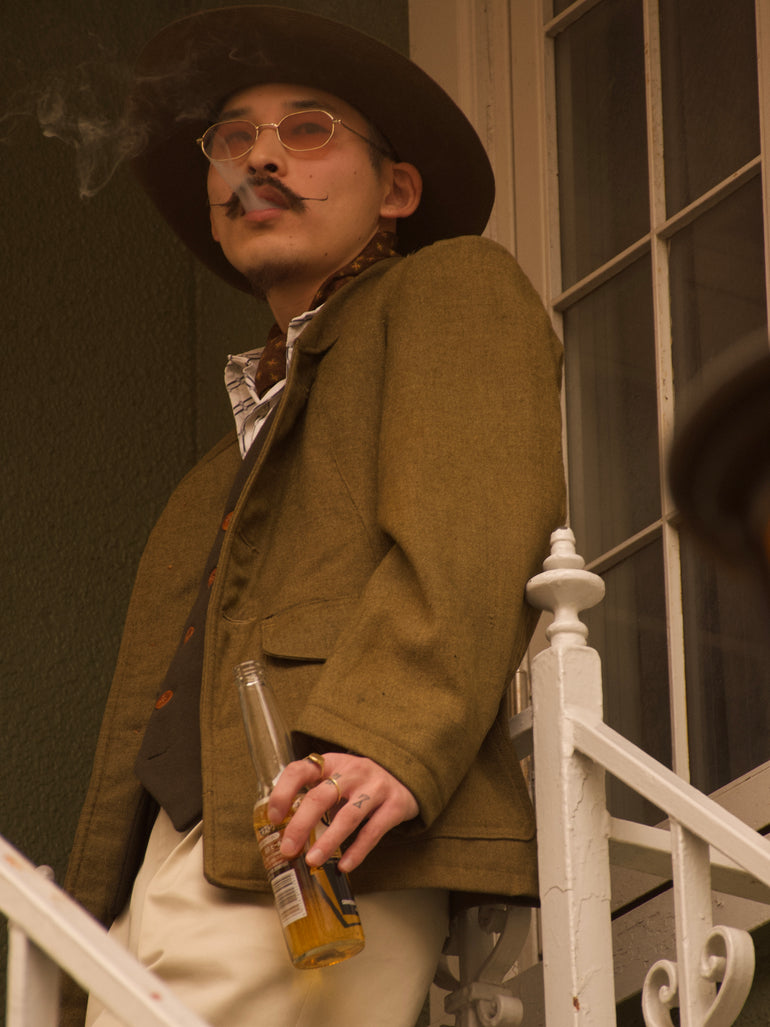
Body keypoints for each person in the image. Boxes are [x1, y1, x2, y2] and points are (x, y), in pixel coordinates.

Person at [61, 6, 565, 1026]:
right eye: (231, 139)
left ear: (396, 190)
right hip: (170, 864)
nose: (259, 159)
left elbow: (471, 534)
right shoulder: (211, 476)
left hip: (324, 825)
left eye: (307, 129)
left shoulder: (449, 288)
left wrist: (391, 740)